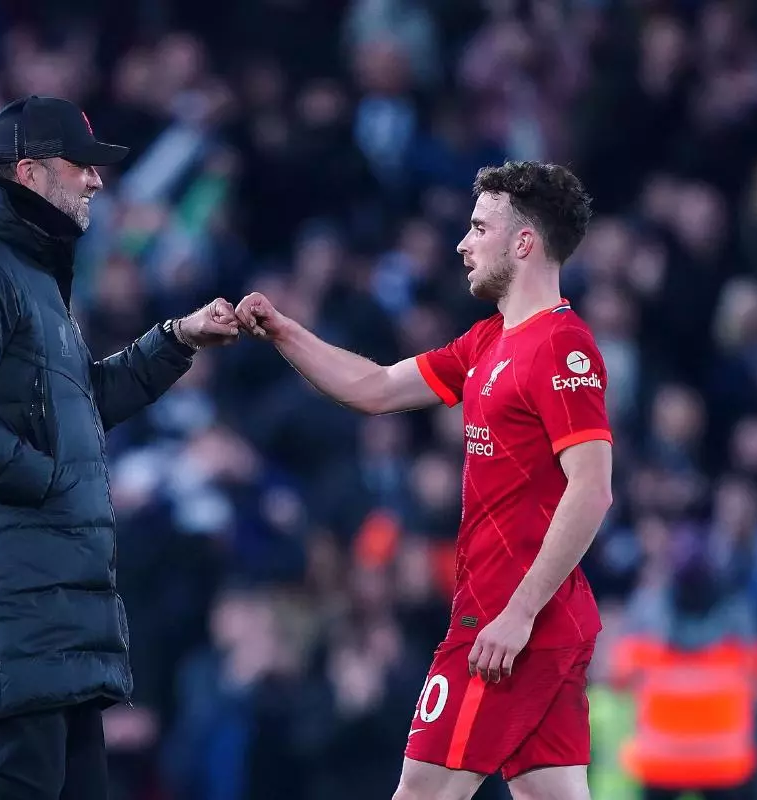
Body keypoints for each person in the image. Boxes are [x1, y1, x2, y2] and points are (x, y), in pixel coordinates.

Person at [235, 161, 612, 800]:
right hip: (531, 619)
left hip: (510, 624)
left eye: (479, 228)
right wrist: (284, 331)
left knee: (420, 793)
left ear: (524, 242)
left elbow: (592, 489)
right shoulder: (488, 341)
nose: (463, 244)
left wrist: (518, 615)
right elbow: (376, 387)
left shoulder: (560, 347)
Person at [0, 95, 239, 800]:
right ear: (29, 171)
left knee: (77, 787)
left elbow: (77, 405)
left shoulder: (28, 267)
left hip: (47, 586)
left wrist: (175, 340)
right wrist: (44, 483)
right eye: (80, 164)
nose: (96, 180)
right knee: (25, 781)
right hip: (9, 581)